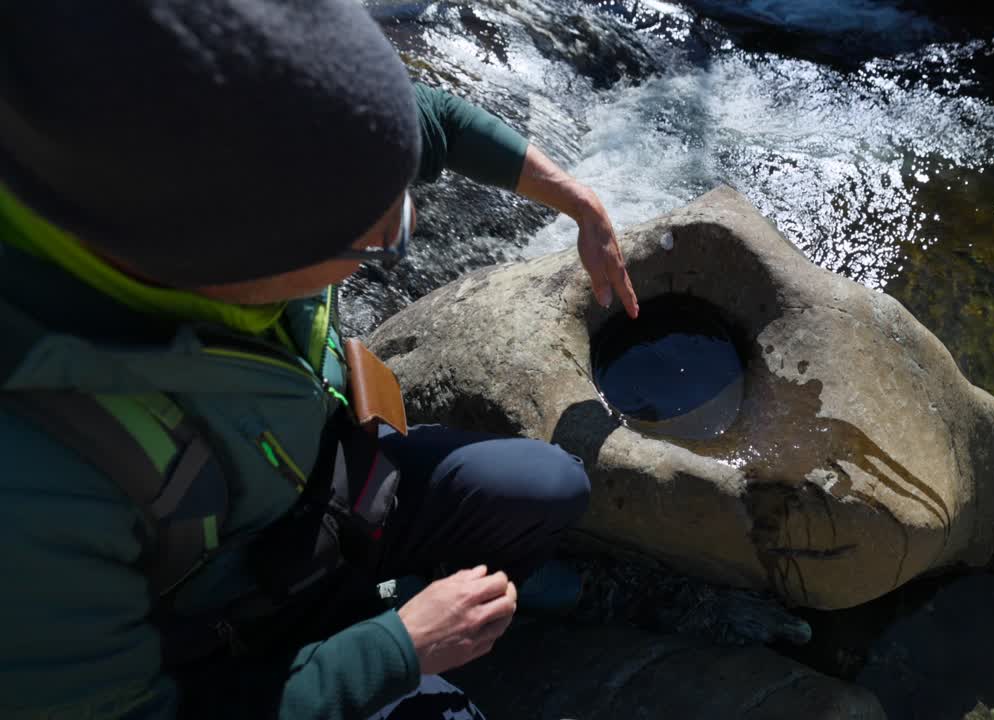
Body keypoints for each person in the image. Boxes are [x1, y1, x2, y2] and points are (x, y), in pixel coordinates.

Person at [0, 1, 638, 717]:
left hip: (334, 493)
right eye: (376, 243)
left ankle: (429, 603)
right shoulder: (34, 476)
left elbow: (428, 122)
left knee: (545, 486)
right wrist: (397, 650)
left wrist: (577, 202)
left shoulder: (211, 156)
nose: (409, 220)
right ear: (226, 267)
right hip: (219, 642)